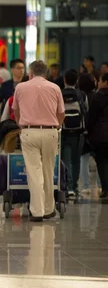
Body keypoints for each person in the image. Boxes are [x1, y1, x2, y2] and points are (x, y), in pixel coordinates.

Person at [12, 61, 65, 221]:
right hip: (50, 132)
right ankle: (49, 209)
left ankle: (37, 211)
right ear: (46, 73)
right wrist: (57, 126)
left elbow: (15, 110)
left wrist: (22, 126)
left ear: (31, 72)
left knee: (34, 172)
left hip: (29, 132)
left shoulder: (20, 87)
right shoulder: (55, 88)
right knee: (49, 170)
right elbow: (61, 113)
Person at [60, 69, 88, 197]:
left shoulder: (59, 93)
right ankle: (75, 186)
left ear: (64, 80)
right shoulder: (81, 95)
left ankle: (67, 186)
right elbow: (86, 111)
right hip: (79, 132)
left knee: (65, 159)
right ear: (76, 81)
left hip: (64, 132)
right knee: (76, 160)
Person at [78, 73, 100, 194]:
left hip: (83, 131)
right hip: (97, 132)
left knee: (84, 160)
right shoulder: (97, 96)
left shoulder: (80, 96)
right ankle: (100, 185)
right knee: (100, 161)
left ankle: (86, 186)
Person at [87, 73, 108, 199]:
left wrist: (89, 133)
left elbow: (92, 117)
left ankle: (105, 189)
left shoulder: (98, 96)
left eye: (100, 80)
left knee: (102, 162)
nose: (98, 83)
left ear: (105, 82)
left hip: (101, 135)